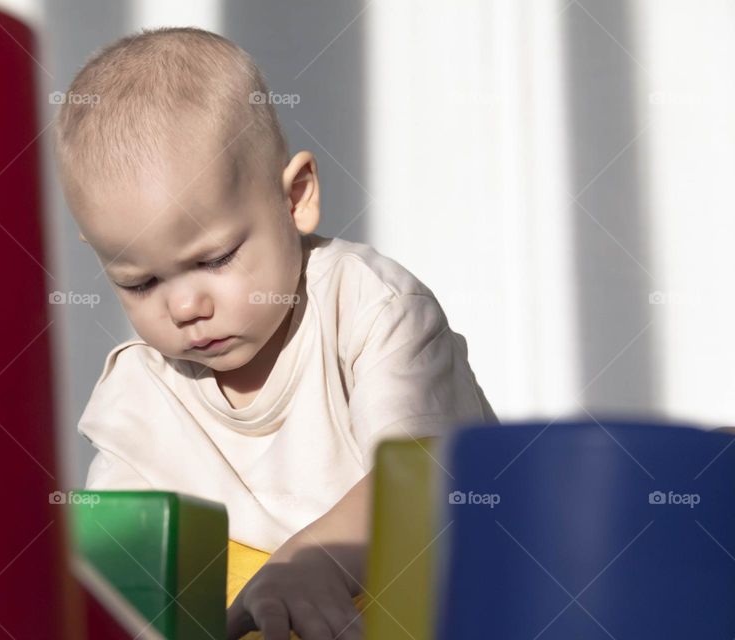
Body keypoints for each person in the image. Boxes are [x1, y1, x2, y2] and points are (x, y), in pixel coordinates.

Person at [53, 26, 497, 640]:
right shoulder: (139, 392)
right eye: (140, 281)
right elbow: (121, 570)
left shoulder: (369, 307)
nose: (184, 306)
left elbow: (430, 479)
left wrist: (310, 563)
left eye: (214, 259)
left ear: (295, 199)